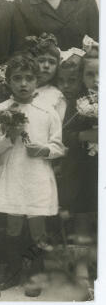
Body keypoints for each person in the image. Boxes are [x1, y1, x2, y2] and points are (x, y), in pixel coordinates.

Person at [0, 54, 65, 290]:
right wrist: (9, 136)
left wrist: (43, 150)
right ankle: (13, 270)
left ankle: (35, 273)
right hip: (12, 175)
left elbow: (58, 146)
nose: (23, 84)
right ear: (8, 82)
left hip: (37, 177)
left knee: (37, 227)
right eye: (17, 78)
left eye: (29, 78)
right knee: (13, 225)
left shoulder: (47, 111)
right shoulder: (1, 111)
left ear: (37, 80)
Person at [61, 53, 98, 245]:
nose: (97, 80)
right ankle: (82, 264)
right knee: (83, 211)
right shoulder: (78, 102)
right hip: (84, 166)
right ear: (82, 77)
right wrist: (84, 136)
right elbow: (65, 134)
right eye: (90, 74)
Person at [26, 36, 67, 120]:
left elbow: (57, 130)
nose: (46, 66)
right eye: (41, 61)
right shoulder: (21, 87)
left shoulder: (57, 97)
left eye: (52, 62)